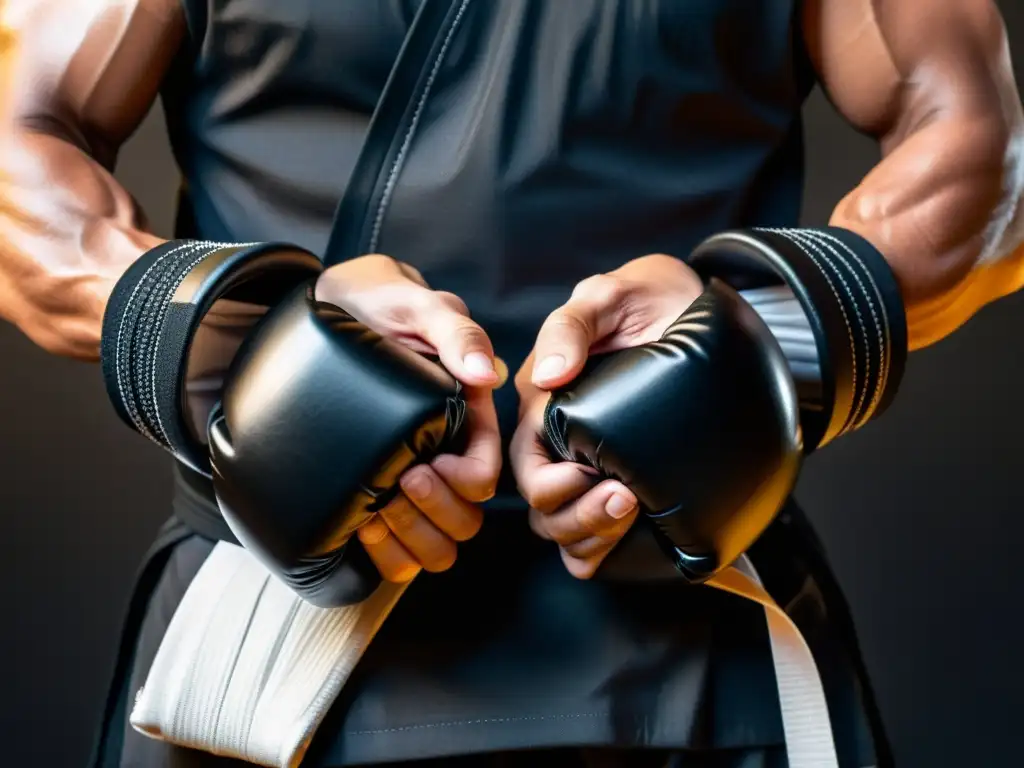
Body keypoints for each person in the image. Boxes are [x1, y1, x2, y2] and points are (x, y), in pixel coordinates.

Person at [1, 1, 1022, 766]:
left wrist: (766, 332)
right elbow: (18, 138)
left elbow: (986, 152)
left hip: (691, 646)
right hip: (270, 646)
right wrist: (240, 351)